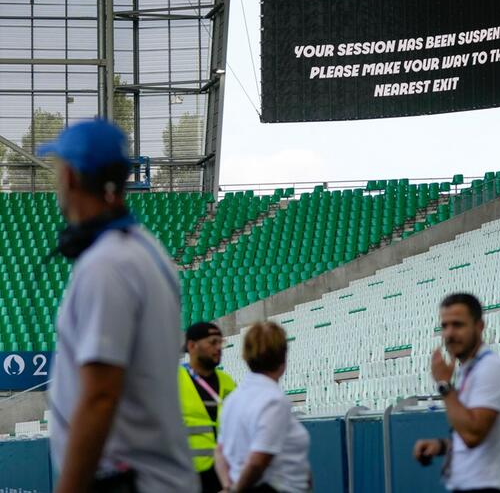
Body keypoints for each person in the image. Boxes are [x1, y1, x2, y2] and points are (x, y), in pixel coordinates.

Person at [43, 119, 197, 492]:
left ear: (73, 178)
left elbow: (100, 395)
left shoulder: (107, 265)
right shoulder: (144, 249)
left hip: (127, 481)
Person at [413, 293, 500, 493]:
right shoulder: (471, 369)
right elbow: (478, 435)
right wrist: (439, 446)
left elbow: (473, 435)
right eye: (444, 326)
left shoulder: (490, 368)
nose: (449, 333)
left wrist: (444, 386)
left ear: (479, 326)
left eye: (457, 325)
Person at [217, 321, 311, 493]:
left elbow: (220, 451)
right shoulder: (273, 401)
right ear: (282, 358)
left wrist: (227, 486)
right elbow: (258, 461)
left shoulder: (233, 399)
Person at [180, 322, 237, 493]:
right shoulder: (173, 380)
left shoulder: (228, 382)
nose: (219, 347)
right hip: (187, 476)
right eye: (212, 342)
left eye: (221, 342)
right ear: (191, 346)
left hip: (225, 476)